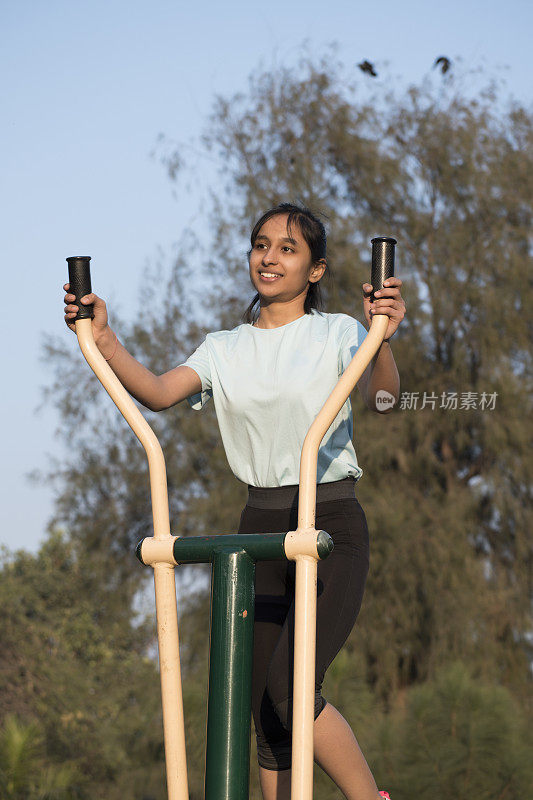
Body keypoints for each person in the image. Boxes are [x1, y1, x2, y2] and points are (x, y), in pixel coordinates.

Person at [63, 203, 405, 800]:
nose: (269, 257)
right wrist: (104, 339)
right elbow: (159, 393)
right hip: (260, 525)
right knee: (262, 709)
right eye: (260, 244)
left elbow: (383, 401)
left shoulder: (341, 332)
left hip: (329, 522)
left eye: (288, 248)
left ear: (316, 270)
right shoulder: (224, 348)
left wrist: (382, 339)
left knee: (291, 685)